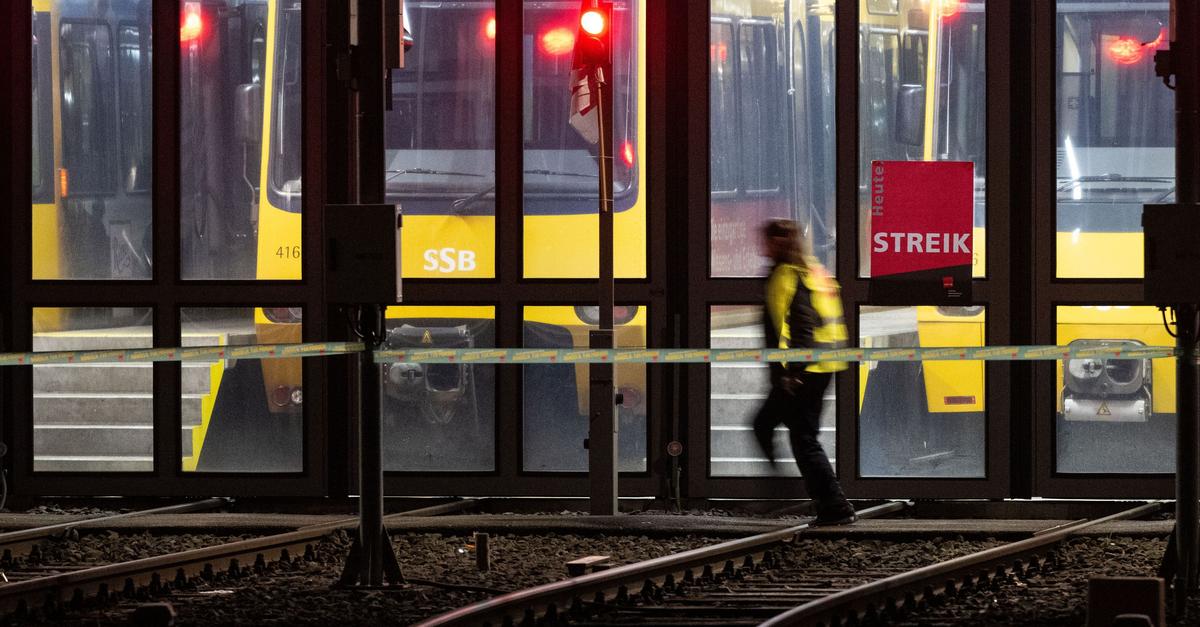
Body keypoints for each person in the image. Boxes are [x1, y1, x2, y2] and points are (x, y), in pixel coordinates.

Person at [753, 219, 856, 526]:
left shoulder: (786, 275)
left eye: (767, 241)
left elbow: (800, 323)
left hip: (804, 370)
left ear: (775, 243)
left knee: (802, 437)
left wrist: (792, 372)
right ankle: (788, 488)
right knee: (768, 424)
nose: (763, 246)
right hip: (821, 365)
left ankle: (834, 506)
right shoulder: (814, 270)